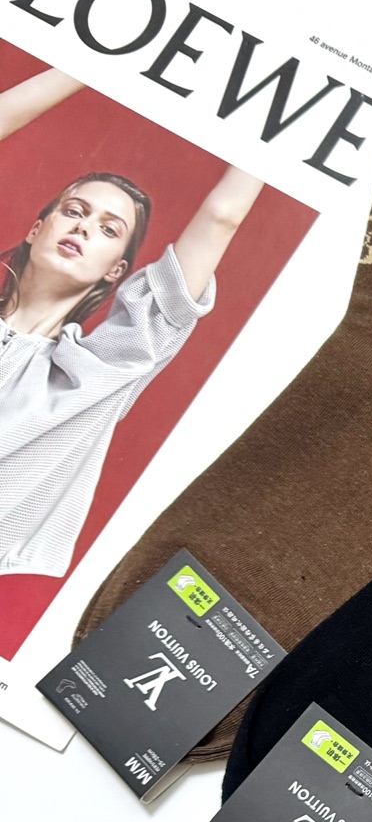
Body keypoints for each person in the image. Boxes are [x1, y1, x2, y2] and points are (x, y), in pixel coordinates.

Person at [0, 67, 262, 578]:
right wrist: (96, 56)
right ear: (37, 228)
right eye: (74, 210)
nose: (83, 226)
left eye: (108, 229)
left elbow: (222, 217)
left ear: (116, 270)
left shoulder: (103, 374)